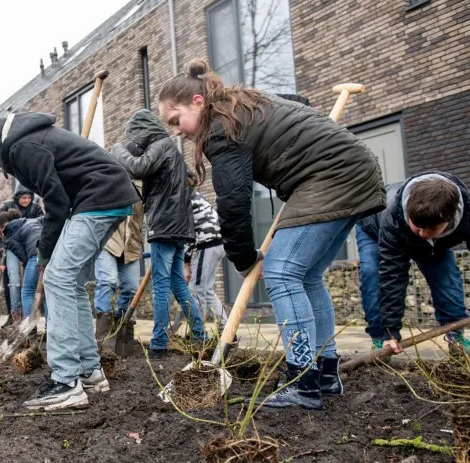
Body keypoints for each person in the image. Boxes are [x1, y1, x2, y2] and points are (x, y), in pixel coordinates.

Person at [157, 59, 385, 409]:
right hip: (353, 171)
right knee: (306, 277)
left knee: (281, 272)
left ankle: (302, 382)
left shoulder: (222, 127)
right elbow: (301, 102)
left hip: (332, 177)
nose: (178, 131)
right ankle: (324, 374)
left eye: (176, 120)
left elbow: (233, 204)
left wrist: (245, 259)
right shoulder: (247, 101)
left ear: (198, 103)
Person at [0, 108, 141, 411]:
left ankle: (66, 381)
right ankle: (89, 371)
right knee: (72, 283)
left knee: (58, 279)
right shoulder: (26, 143)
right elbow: (58, 199)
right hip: (107, 197)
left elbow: (55, 202)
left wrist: (44, 254)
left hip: (99, 197)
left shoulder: (22, 147)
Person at [111, 109, 206, 358]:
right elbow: (191, 177)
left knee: (162, 285)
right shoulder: (170, 149)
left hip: (164, 224)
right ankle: (201, 336)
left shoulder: (160, 144)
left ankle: (159, 343)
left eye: (135, 138)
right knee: (177, 284)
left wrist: (118, 149)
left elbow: (138, 167)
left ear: (143, 132)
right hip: (179, 226)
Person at [357, 173, 470, 357]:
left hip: (432, 241)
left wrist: (422, 231)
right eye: (417, 226)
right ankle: (380, 338)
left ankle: (455, 335)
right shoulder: (393, 219)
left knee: (445, 275)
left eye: (431, 229)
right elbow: (393, 276)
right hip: (373, 228)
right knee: (372, 273)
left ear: (449, 218)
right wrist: (390, 330)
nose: (423, 234)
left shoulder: (467, 214)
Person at [91, 188, 144, 357]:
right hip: (108, 241)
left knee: (131, 288)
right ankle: (103, 339)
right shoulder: (109, 182)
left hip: (132, 245)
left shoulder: (142, 189)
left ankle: (122, 336)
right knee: (108, 281)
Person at [0, 185, 45, 328]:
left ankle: (29, 327)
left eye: (28, 198)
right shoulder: (7, 206)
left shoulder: (36, 208)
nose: (26, 200)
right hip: (27, 247)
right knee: (14, 281)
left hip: (30, 245)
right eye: (23, 198)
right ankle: (15, 315)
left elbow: (43, 221)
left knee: (28, 289)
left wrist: (29, 265)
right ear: (17, 198)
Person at [183, 191, 227, 333]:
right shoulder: (194, 195)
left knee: (196, 290)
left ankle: (198, 333)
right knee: (206, 290)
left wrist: (186, 262)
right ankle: (226, 330)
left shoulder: (184, 197)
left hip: (208, 244)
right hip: (217, 243)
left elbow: (188, 234)